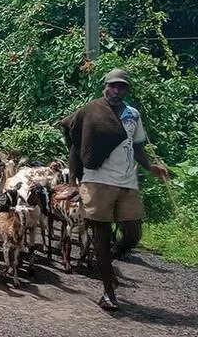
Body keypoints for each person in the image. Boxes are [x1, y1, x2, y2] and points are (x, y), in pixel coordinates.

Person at [60, 68, 169, 311]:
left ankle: (108, 257)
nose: (117, 90)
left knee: (133, 233)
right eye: (113, 86)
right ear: (105, 87)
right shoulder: (90, 111)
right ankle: (109, 292)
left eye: (122, 87)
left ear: (127, 90)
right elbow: (76, 147)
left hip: (127, 181)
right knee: (101, 234)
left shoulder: (133, 115)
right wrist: (73, 182)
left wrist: (151, 167)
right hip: (98, 180)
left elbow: (137, 146)